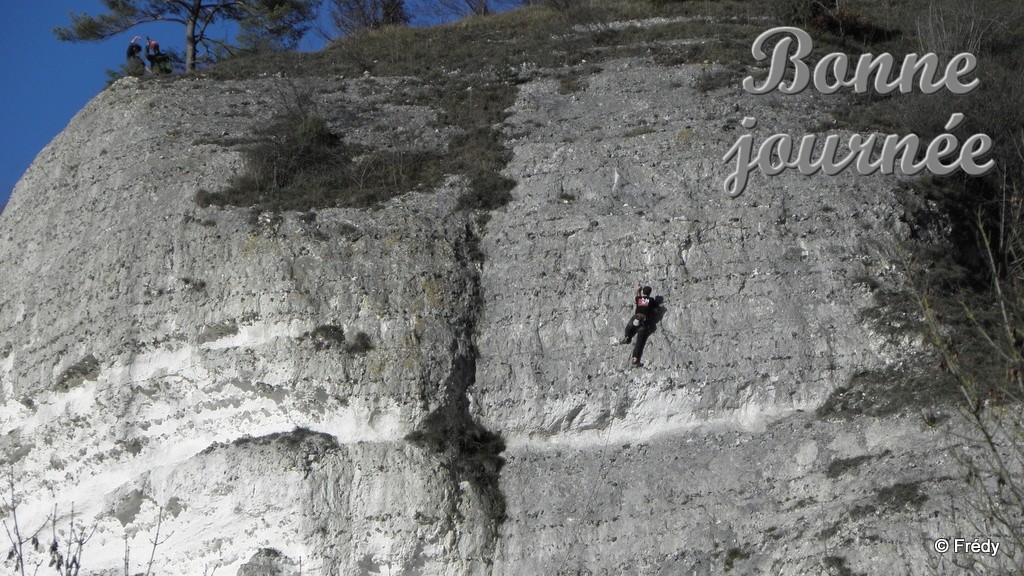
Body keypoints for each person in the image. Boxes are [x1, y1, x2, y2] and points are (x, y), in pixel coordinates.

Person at [620, 283, 661, 366]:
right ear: (650, 293)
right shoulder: (651, 300)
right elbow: (656, 311)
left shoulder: (639, 299)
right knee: (639, 342)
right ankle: (635, 359)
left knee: (629, 326)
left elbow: (638, 295)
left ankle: (627, 337)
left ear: (643, 292)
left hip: (636, 318)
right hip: (644, 322)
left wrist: (638, 290)